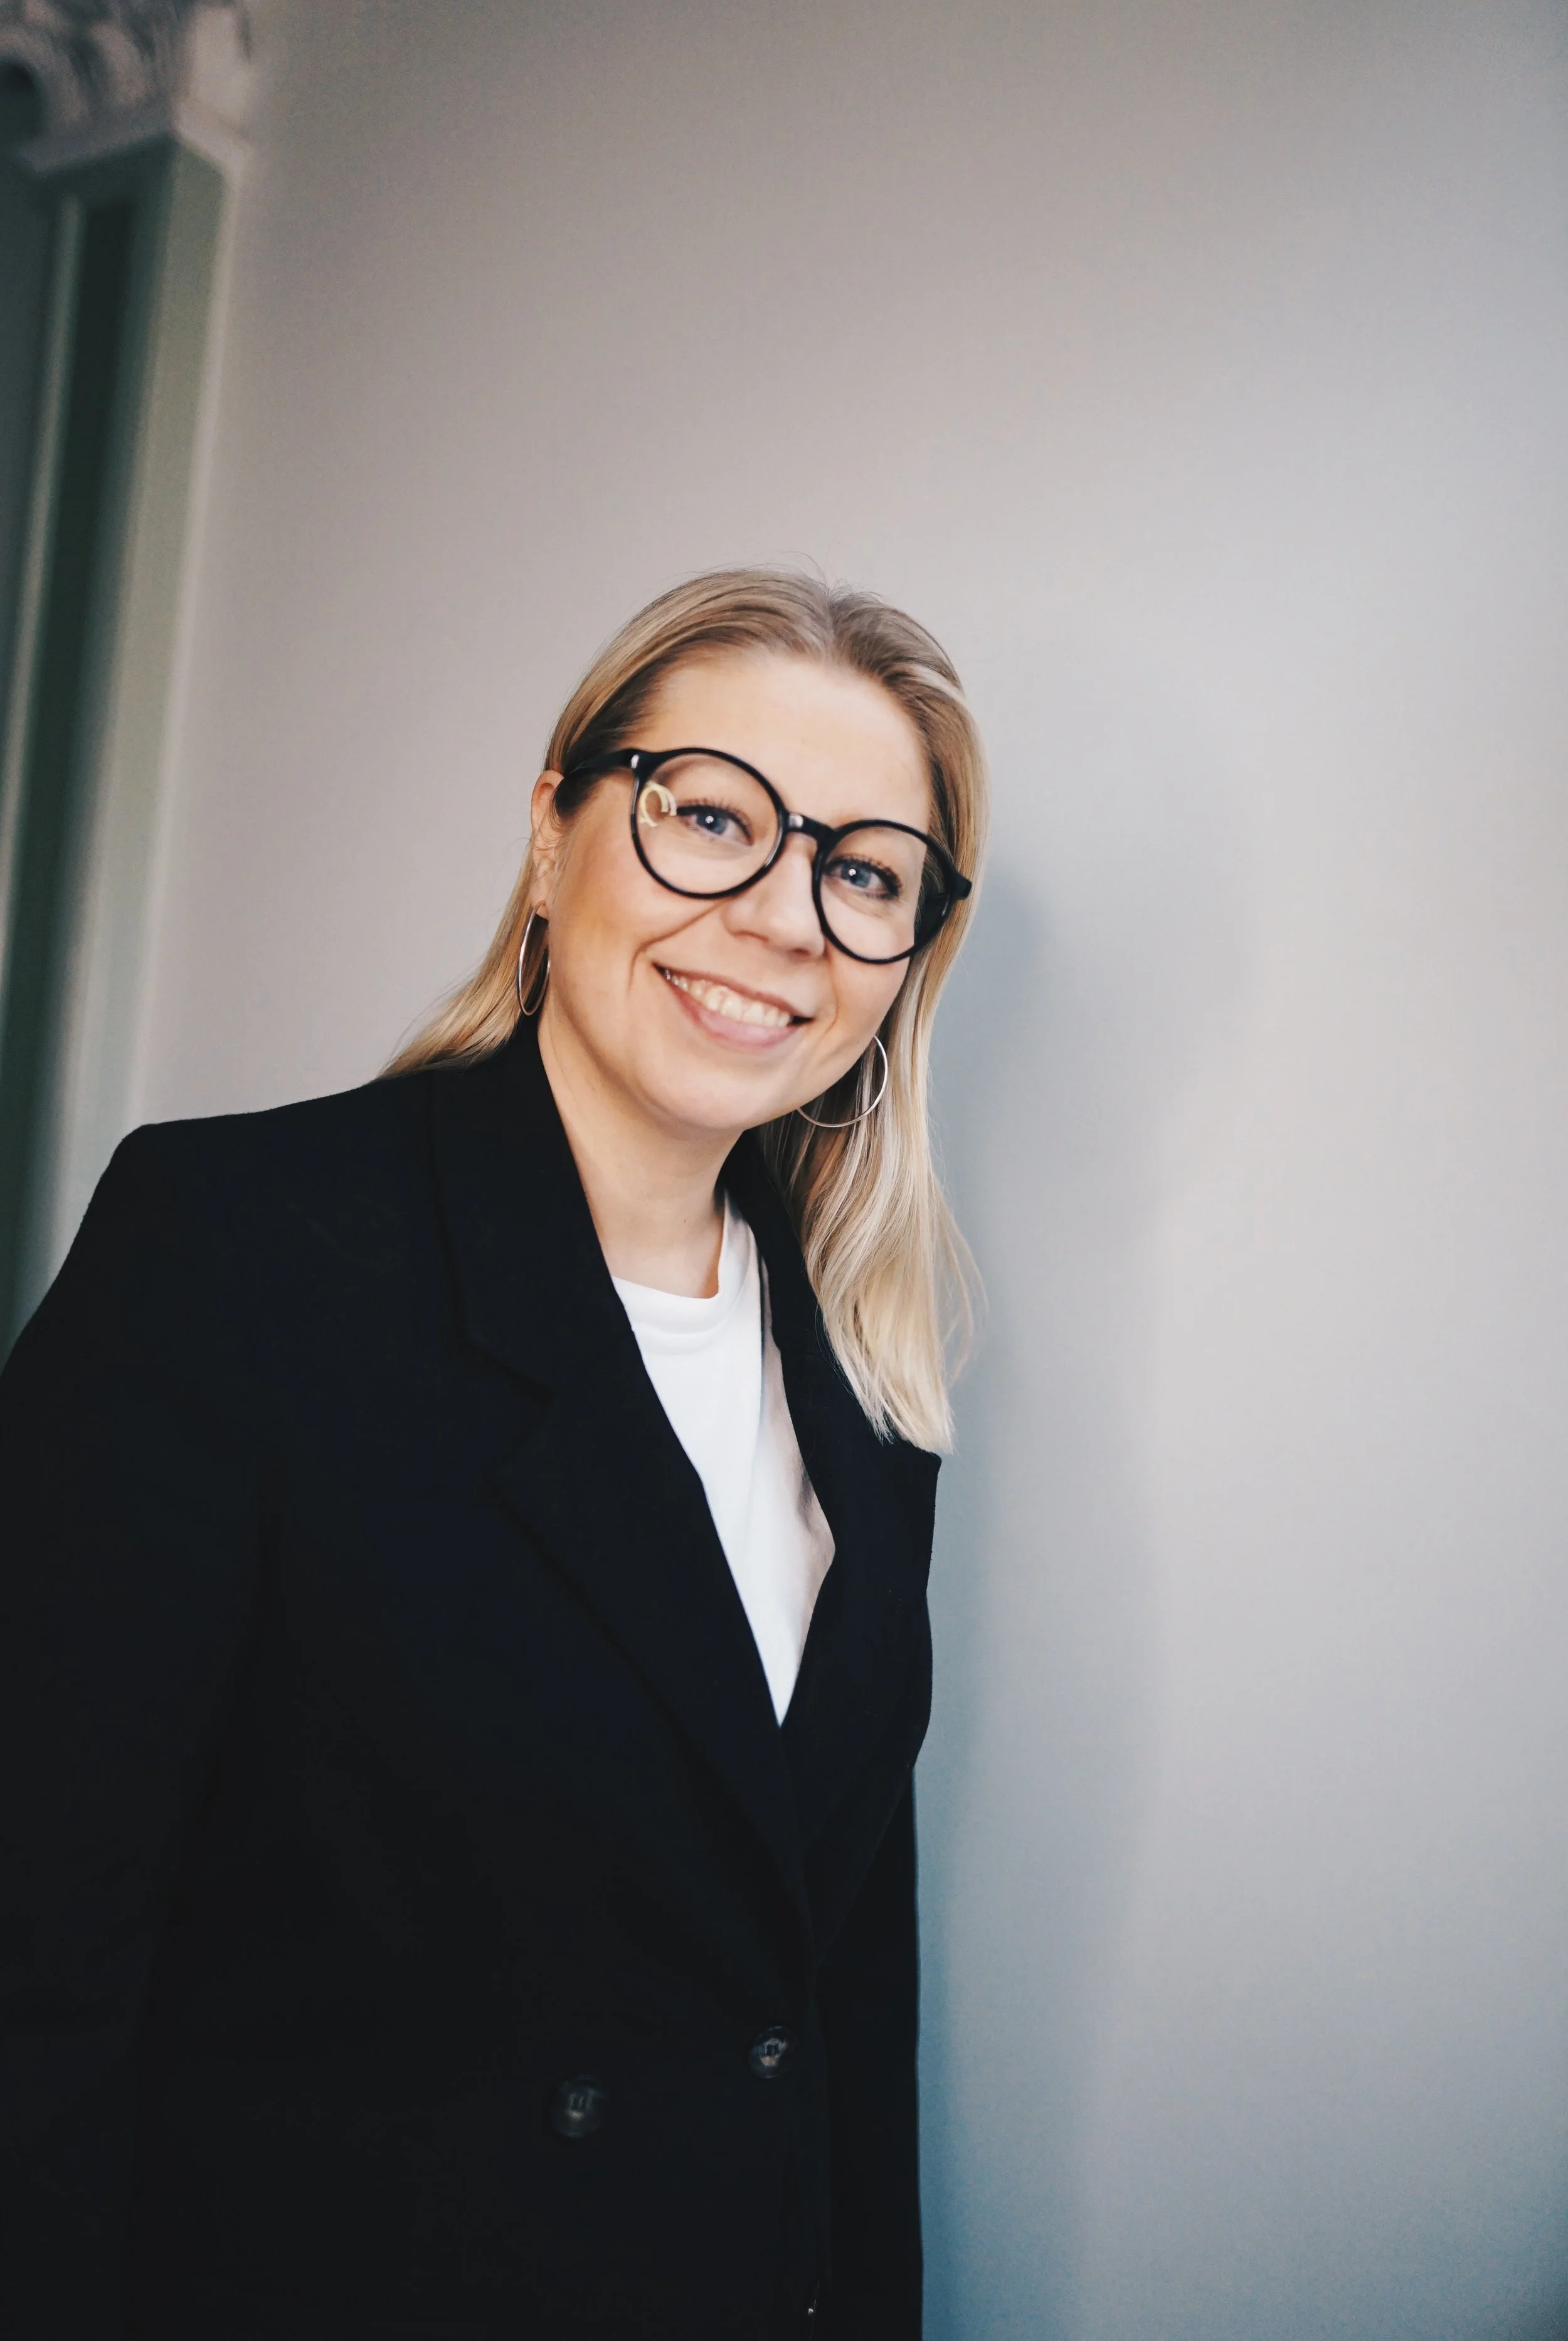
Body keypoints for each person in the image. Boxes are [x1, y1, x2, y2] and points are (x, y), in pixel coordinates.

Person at [0, 568, 986, 2340]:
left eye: (863, 873)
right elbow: (34, 1967)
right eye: (710, 817)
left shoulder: (867, 1376)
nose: (784, 918)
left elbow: (836, 2003)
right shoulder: (239, 1251)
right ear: (552, 835)